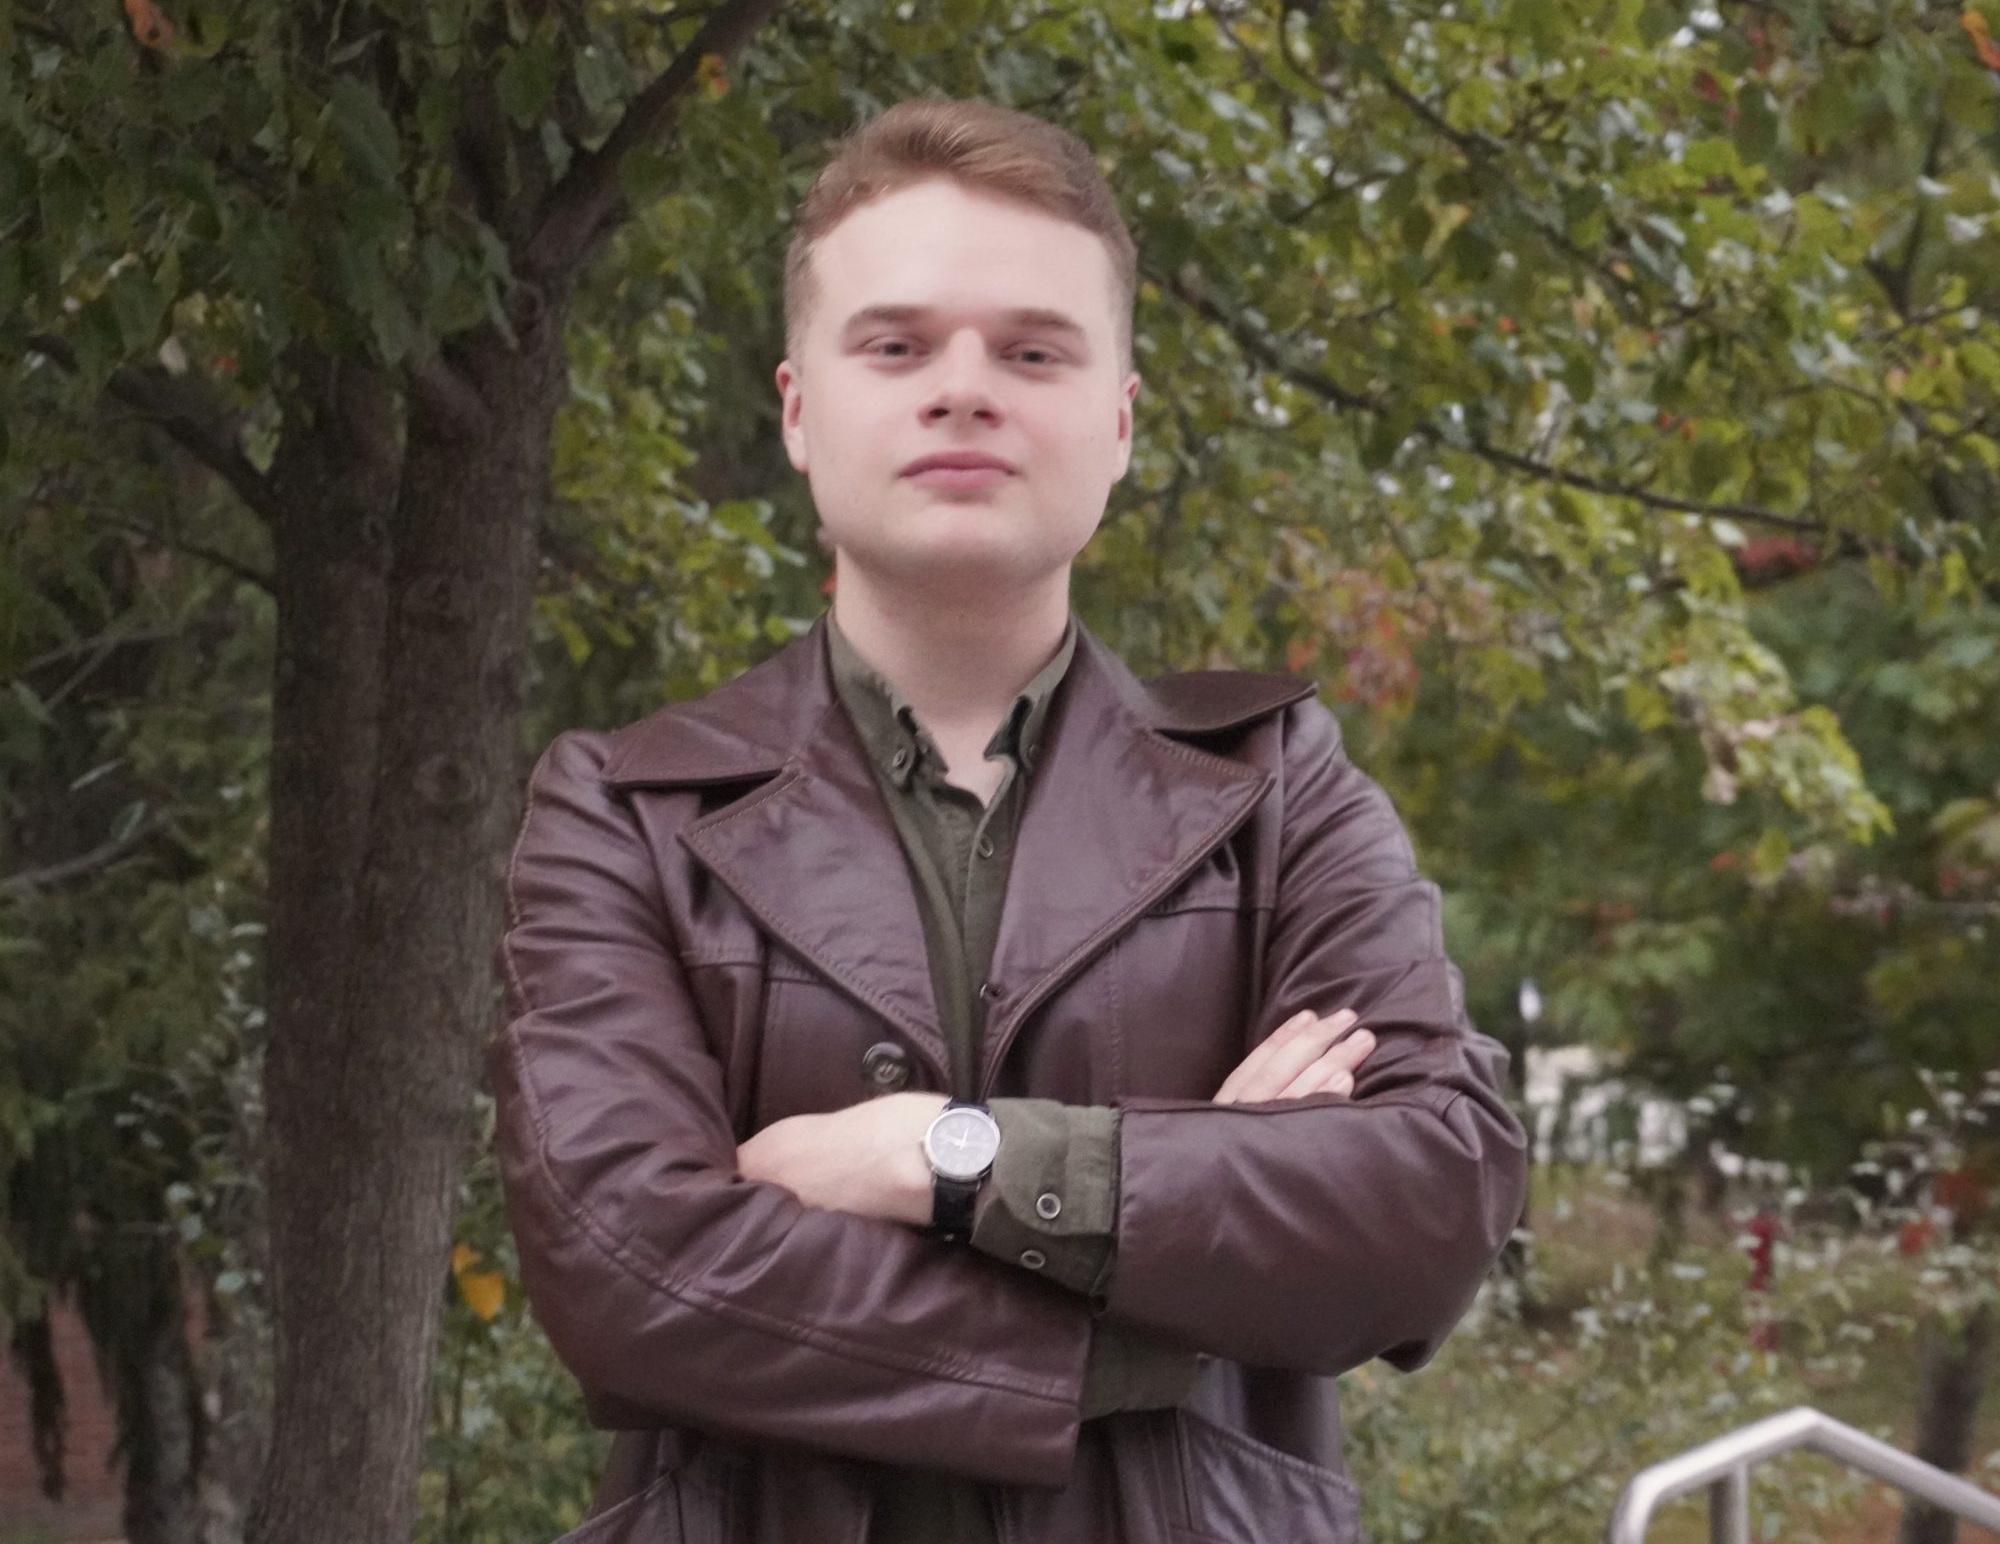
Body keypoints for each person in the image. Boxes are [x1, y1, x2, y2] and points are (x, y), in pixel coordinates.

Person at [485, 96, 1530, 1544]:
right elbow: (629, 1273)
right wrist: (1157, 1296)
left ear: (1120, 421)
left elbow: (1431, 1200)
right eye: (897, 346)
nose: (965, 390)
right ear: (798, 410)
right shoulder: (624, 812)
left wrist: (938, 1155)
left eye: (1033, 351)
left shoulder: (1279, 787)